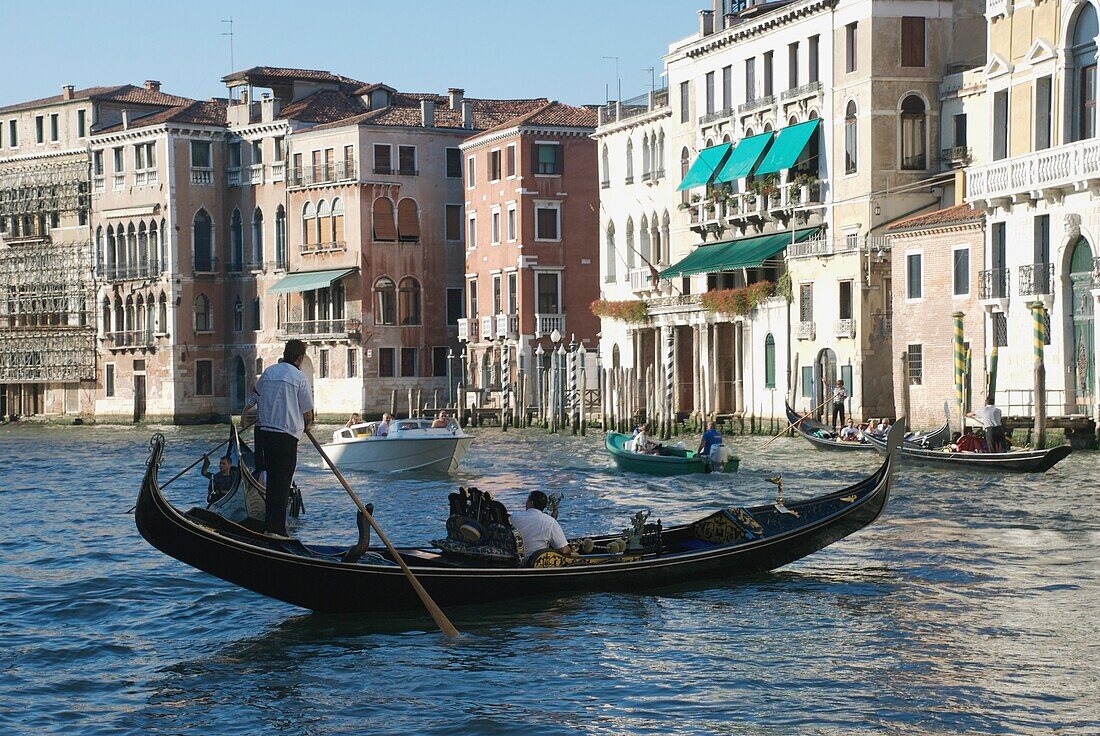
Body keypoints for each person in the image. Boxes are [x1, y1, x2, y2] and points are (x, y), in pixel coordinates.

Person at [246, 339, 314, 538]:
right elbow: (307, 413)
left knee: (272, 481)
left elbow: (256, 392)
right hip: (286, 436)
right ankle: (278, 530)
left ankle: (269, 527)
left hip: (266, 434)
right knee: (282, 483)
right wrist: (307, 425)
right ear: (299, 357)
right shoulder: (299, 377)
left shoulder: (268, 372)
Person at [510, 490, 572, 561]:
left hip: (515, 560)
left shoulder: (514, 516)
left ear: (531, 503)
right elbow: (564, 550)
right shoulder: (550, 522)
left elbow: (532, 525)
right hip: (535, 563)